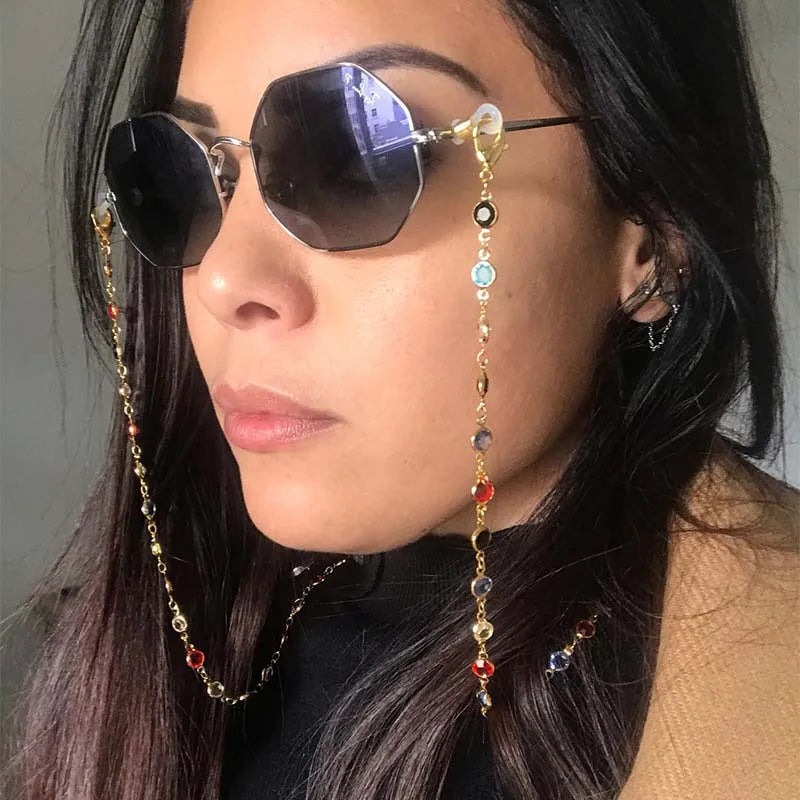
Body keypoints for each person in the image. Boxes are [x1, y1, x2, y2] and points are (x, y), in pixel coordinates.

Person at [7, 0, 798, 798]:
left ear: (653, 238)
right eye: (176, 169)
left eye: (355, 156)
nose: (223, 280)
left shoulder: (758, 702)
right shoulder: (98, 659)